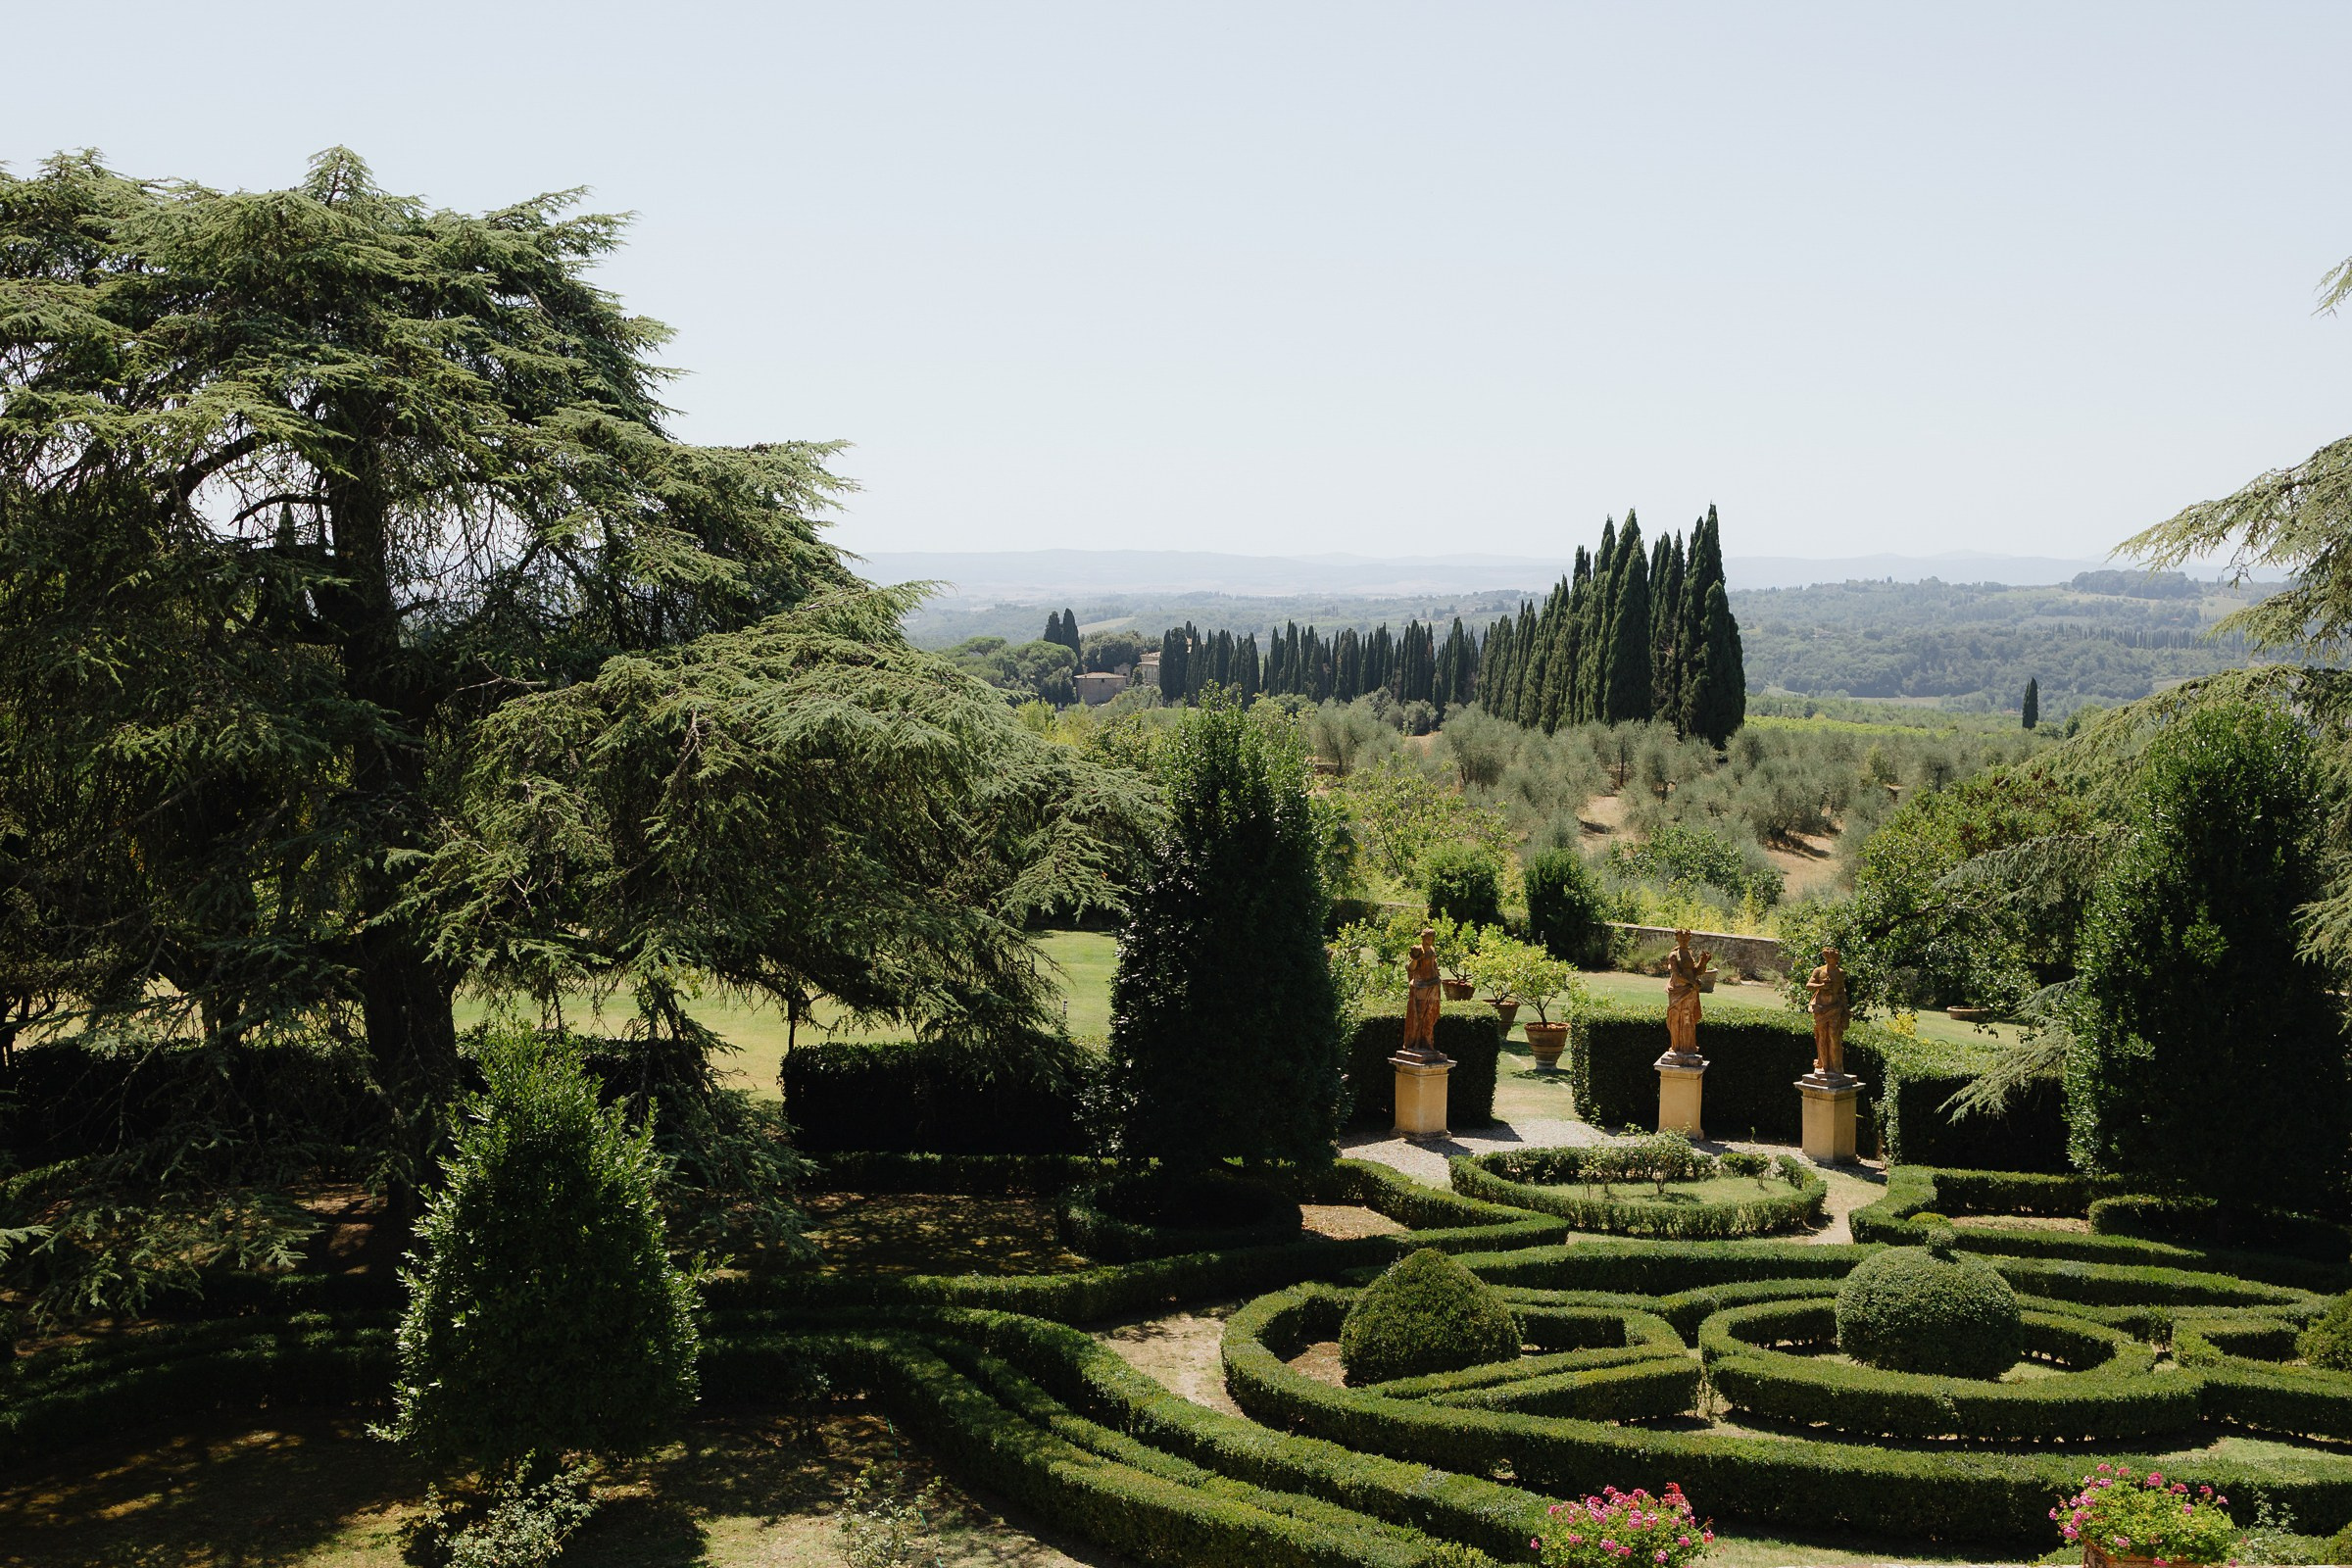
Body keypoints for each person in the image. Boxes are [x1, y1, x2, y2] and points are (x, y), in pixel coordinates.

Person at [1663, 928, 1710, 1058]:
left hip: (1690, 990)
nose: (1684, 941)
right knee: (1675, 1017)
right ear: (1677, 939)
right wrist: (1692, 982)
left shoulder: (1689, 953)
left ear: (1689, 939)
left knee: (1688, 1018)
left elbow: (1695, 971)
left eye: (1686, 939)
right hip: (1678, 989)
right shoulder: (1674, 955)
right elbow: (1677, 975)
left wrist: (1703, 962)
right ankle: (1676, 1047)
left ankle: (1688, 1047)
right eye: (1681, 939)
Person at [1399, 925, 1444, 1060]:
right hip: (1421, 986)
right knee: (1419, 1015)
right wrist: (1416, 959)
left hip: (1433, 984)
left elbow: (1433, 967)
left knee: (1430, 1015)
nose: (1431, 940)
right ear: (1424, 938)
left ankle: (1427, 1042)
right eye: (1428, 937)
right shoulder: (1418, 950)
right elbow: (1410, 968)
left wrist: (1437, 974)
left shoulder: (1432, 950)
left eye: (1432, 938)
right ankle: (1416, 1043)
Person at [1806, 947, 1850, 1076]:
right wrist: (1821, 986)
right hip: (1820, 1008)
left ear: (1836, 959)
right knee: (1821, 1036)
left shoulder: (1840, 973)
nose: (1830, 961)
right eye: (1827, 958)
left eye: (1832, 959)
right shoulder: (1819, 971)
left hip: (1835, 1007)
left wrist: (1846, 1010)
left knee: (1834, 1036)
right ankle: (1824, 1065)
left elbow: (1842, 992)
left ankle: (1836, 1066)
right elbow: (1809, 986)